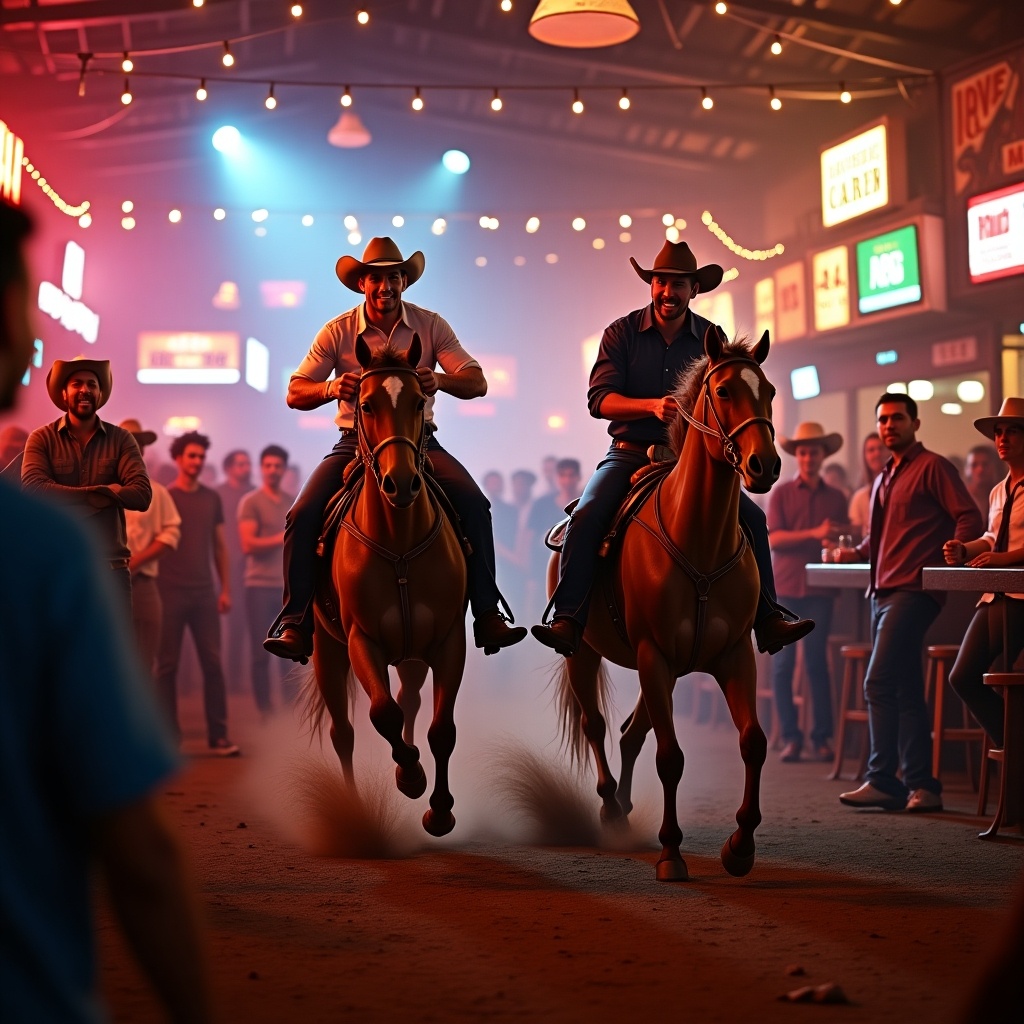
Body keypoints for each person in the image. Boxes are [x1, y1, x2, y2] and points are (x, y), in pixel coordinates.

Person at [0, 199, 210, 1023]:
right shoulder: (40, 545)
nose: (83, 390)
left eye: (92, 382)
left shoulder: (81, 469)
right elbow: (144, 860)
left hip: (116, 565)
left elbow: (138, 490)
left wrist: (85, 494)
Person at [530, 240, 813, 657]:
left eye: (678, 284)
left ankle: (769, 617)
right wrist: (651, 406)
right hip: (628, 451)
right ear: (651, 285)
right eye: (661, 281)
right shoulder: (621, 333)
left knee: (753, 518)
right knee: (588, 513)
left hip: (689, 458)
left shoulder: (710, 341)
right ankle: (568, 619)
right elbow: (598, 400)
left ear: (693, 290)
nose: (668, 291)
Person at [263, 236, 526, 662]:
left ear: (405, 281)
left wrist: (439, 379)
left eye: (394, 277)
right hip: (355, 443)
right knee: (302, 513)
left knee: (475, 503)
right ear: (362, 284)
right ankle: (295, 622)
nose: (386, 286)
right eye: (377, 279)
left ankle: (486, 614)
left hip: (419, 441)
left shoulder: (431, 324)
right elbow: (295, 391)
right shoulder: (337, 331)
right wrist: (332, 388)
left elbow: (477, 381)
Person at [833, 392, 983, 812]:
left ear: (915, 424)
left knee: (877, 681)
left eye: (897, 418)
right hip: (882, 590)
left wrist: (960, 546)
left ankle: (883, 778)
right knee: (905, 687)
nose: (889, 426)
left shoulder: (932, 466)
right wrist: (856, 552)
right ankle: (923, 786)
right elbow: (881, 537)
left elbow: (968, 513)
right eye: (882, 420)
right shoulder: (886, 475)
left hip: (914, 591)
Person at [22, 357, 151, 612]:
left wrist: (63, 493)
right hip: (58, 568)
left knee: (113, 651)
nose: (85, 390)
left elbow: (142, 495)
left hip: (111, 570)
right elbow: (34, 489)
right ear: (64, 392)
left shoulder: (121, 439)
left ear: (100, 392)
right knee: (58, 651)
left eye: (92, 384)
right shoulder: (42, 438)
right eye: (76, 384)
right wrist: (103, 492)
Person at [943, 398, 1024, 746]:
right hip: (995, 594)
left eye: (1012, 431)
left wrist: (1003, 558)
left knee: (979, 677)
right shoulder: (997, 490)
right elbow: (991, 536)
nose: (1002, 438)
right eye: (999, 432)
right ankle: (1016, 747)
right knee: (962, 677)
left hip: (1020, 595)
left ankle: (1016, 756)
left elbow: (1000, 549)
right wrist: (965, 549)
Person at [768, 422, 850, 763]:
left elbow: (841, 538)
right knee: (783, 665)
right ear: (797, 456)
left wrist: (834, 542)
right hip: (786, 587)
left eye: (813, 452)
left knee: (817, 664)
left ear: (822, 455)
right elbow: (774, 539)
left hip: (820, 588)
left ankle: (821, 737)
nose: (808, 457)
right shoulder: (781, 493)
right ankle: (791, 737)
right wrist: (816, 533)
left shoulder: (837, 497)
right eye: (802, 452)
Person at [156, 431, 240, 756]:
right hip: (169, 591)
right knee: (166, 666)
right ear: (178, 458)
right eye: (191, 455)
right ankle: (168, 738)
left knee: (213, 663)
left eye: (201, 456)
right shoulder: (165, 496)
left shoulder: (211, 498)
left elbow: (220, 546)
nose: (197, 461)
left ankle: (219, 736)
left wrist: (225, 589)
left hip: (205, 592)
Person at [121, 418, 181, 680]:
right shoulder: (103, 489)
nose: (136, 448)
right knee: (113, 656)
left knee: (145, 659)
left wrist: (137, 561)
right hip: (109, 582)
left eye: (140, 444)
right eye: (130, 443)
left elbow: (171, 533)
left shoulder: (157, 493)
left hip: (144, 583)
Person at [238, 444, 296, 717]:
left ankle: (289, 712)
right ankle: (265, 713)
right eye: (268, 465)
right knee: (260, 652)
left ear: (284, 469)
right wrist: (284, 537)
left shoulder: (292, 500)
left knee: (290, 652)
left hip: (286, 587)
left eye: (278, 466)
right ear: (262, 468)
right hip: (258, 585)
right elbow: (248, 544)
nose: (273, 470)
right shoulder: (251, 501)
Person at [526, 457, 584, 615]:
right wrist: (530, 574)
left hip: (578, 567)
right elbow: (529, 540)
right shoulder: (541, 504)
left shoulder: (587, 503)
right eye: (563, 475)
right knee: (539, 612)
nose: (567, 480)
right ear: (557, 477)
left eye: (571, 475)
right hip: (541, 567)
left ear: (578, 477)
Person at [216, 449, 253, 694]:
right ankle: (231, 679)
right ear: (228, 468)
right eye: (240, 464)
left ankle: (245, 680)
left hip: (249, 566)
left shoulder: (253, 494)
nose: (245, 468)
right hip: (224, 565)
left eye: (247, 463)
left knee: (251, 625)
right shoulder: (219, 494)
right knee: (232, 627)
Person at [848, 432, 888, 541]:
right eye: (871, 450)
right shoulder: (860, 497)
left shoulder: (900, 488)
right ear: (864, 456)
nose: (877, 454)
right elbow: (856, 534)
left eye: (881, 448)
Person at [964, 442, 1002, 517]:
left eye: (985, 464)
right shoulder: (960, 496)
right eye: (974, 465)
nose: (980, 470)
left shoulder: (1001, 495)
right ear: (967, 469)